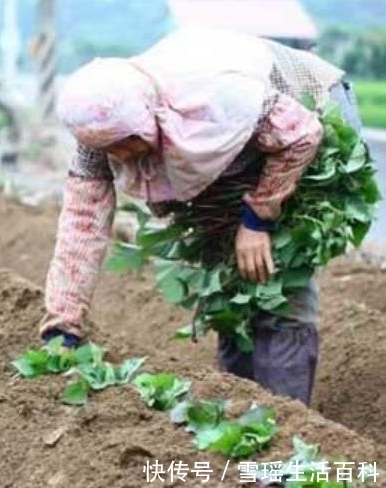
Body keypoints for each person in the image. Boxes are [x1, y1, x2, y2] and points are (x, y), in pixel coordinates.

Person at [40, 29, 364, 406]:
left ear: (144, 115)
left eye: (128, 142)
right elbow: (81, 224)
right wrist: (63, 326)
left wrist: (258, 219)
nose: (124, 155)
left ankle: (285, 424)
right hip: (237, 149)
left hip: (308, 114)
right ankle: (240, 408)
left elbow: (301, 135)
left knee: (277, 277)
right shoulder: (100, 130)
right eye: (112, 149)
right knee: (227, 283)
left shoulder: (212, 97)